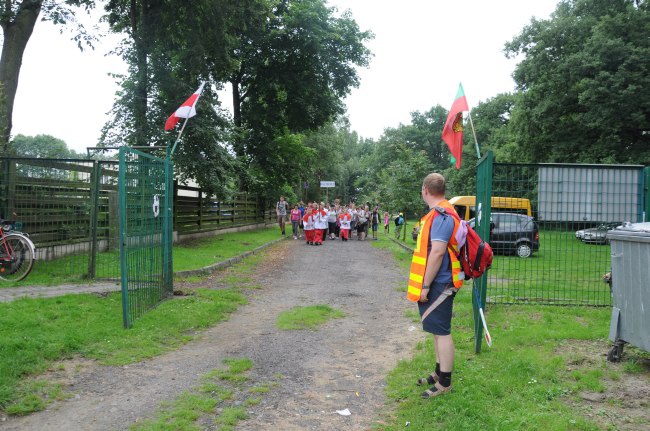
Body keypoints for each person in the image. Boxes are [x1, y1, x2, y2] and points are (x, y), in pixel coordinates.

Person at [407, 172, 464, 399]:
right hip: (441, 280)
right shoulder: (440, 212)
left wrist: (426, 285)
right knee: (436, 329)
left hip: (440, 282)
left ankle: (445, 382)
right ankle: (439, 372)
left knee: (442, 332)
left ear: (425, 190)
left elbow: (438, 251)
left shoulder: (441, 215)